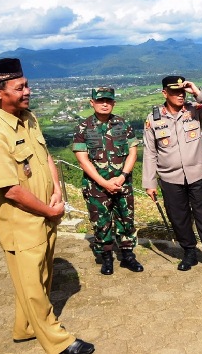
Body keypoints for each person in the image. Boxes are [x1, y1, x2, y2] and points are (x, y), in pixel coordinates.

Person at [0, 58, 94, 354]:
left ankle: (25, 328)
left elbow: (45, 156)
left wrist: (56, 193)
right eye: (20, 87)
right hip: (22, 222)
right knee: (33, 287)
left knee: (39, 277)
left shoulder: (27, 117)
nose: (28, 90)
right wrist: (49, 210)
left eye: (26, 84)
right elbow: (11, 190)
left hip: (44, 212)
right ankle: (58, 343)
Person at [142, 75, 202, 277]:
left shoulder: (194, 111)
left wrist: (197, 92)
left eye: (182, 91)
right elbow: (150, 152)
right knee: (178, 218)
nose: (180, 95)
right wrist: (149, 182)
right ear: (164, 93)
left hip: (197, 174)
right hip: (170, 178)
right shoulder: (154, 119)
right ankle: (189, 252)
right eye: (174, 92)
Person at [72, 87, 143, 275]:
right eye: (101, 100)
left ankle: (128, 256)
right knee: (101, 223)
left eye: (109, 101)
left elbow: (133, 152)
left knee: (126, 220)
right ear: (92, 102)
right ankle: (106, 258)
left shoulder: (123, 124)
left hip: (122, 184)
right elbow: (82, 159)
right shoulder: (83, 127)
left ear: (114, 103)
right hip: (96, 186)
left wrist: (122, 177)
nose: (105, 104)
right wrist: (103, 183)